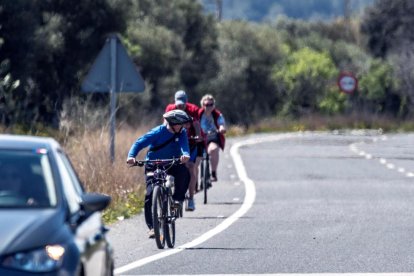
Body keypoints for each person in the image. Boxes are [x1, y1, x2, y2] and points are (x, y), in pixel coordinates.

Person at [126, 109, 192, 238]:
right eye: (181, 124)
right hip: (153, 164)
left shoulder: (182, 133)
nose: (183, 126)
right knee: (150, 195)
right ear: (173, 123)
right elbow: (139, 143)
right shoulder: (158, 132)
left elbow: (185, 147)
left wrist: (185, 155)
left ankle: (177, 200)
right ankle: (152, 227)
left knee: (184, 173)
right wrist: (131, 156)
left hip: (172, 162)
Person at [165, 90, 202, 211]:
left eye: (182, 104)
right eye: (178, 103)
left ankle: (191, 198)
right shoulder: (170, 108)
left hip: (190, 143)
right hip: (174, 143)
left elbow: (196, 124)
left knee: (191, 167)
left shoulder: (193, 109)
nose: (180, 106)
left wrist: (198, 136)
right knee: (169, 165)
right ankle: (170, 191)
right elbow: (165, 123)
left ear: (186, 102)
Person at [199, 94, 226, 182]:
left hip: (213, 135)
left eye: (211, 105)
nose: (209, 107)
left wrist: (221, 128)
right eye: (207, 105)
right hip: (200, 135)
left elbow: (221, 124)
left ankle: (213, 172)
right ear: (203, 105)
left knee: (213, 149)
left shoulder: (217, 114)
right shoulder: (198, 114)